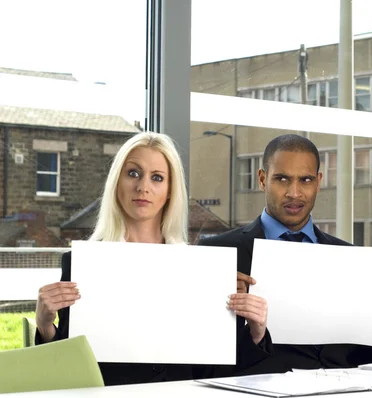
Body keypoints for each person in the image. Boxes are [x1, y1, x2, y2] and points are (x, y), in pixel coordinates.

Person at [34, 132, 269, 385]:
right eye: (133, 173)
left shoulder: (199, 271)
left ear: (170, 191)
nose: (143, 187)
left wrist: (256, 332)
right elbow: (68, 371)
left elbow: (217, 372)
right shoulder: (83, 265)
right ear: (116, 182)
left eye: (157, 177)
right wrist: (45, 327)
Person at [199, 133, 372, 374]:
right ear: (262, 179)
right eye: (282, 179)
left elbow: (368, 358)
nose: (294, 192)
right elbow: (201, 362)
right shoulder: (217, 255)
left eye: (306, 180)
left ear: (319, 181)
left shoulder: (351, 259)